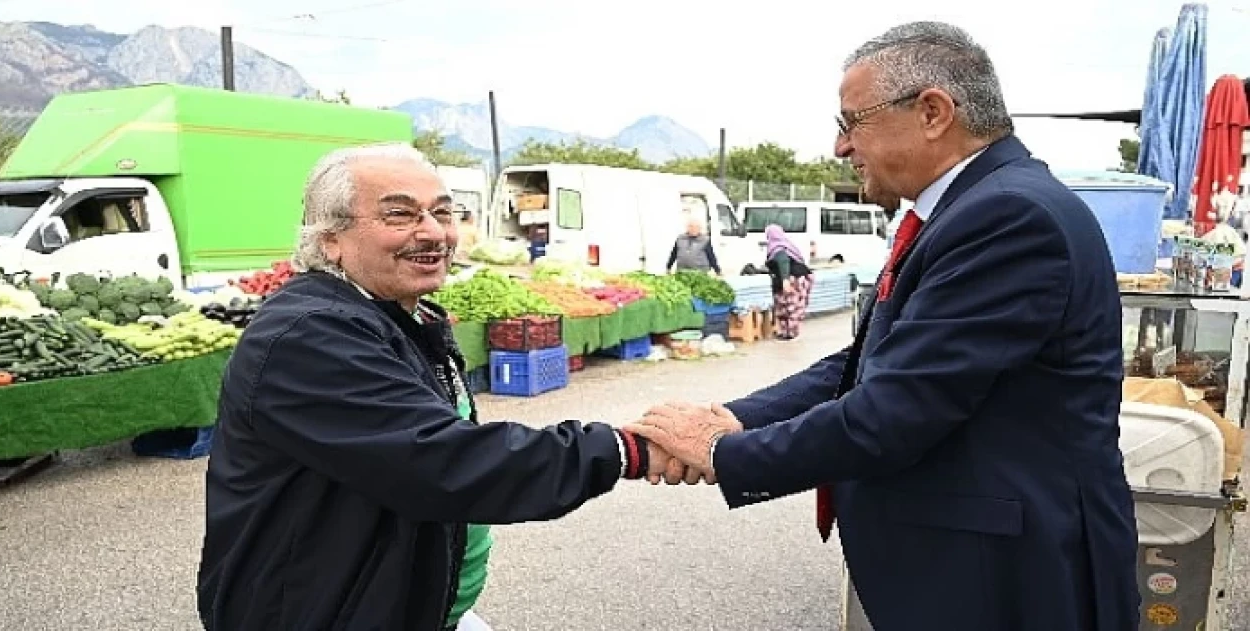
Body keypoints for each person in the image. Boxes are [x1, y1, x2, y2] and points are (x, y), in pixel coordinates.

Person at [630, 21, 1139, 631]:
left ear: (932, 112)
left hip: (1008, 582)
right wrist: (735, 418)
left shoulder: (1008, 217)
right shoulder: (967, 209)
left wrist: (720, 452)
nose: (841, 147)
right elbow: (870, 360)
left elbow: (893, 412)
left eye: (850, 122)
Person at [197, 143, 669, 631]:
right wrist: (625, 450)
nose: (433, 232)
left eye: (443, 213)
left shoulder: (399, 317)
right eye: (400, 215)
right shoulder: (310, 336)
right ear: (331, 238)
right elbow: (443, 460)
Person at [764, 223, 813, 340]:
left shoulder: (778, 248)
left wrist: (785, 280)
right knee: (784, 306)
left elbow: (783, 261)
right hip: (793, 278)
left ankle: (791, 332)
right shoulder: (784, 246)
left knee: (791, 306)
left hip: (793, 279)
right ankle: (786, 332)